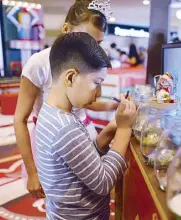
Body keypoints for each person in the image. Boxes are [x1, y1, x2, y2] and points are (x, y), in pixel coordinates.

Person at [14, 0, 120, 199]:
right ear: (66, 29)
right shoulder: (38, 64)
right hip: (53, 139)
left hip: (84, 132)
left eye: (98, 44)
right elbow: (20, 118)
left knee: (89, 192)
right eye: (86, 39)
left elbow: (84, 100)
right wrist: (32, 172)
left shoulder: (88, 64)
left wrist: (110, 105)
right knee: (61, 194)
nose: (92, 50)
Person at [36, 31, 136, 220]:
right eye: (96, 83)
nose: (98, 93)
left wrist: (111, 128)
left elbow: (83, 159)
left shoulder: (53, 112)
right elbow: (103, 182)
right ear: (71, 77)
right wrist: (124, 130)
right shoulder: (65, 128)